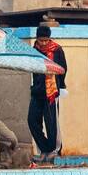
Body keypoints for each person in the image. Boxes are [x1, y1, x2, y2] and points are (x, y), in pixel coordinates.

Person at [28, 25, 67, 158]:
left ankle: (54, 150)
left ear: (49, 39)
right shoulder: (34, 50)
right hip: (37, 91)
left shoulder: (57, 50)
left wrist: (59, 86)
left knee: (51, 123)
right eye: (41, 40)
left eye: (46, 40)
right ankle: (44, 148)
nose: (43, 43)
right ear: (37, 39)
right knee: (32, 120)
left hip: (51, 91)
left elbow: (63, 69)